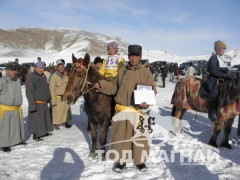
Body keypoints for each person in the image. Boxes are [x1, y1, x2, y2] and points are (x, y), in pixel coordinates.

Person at [95, 45, 156, 172]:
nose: (133, 58)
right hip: (122, 109)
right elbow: (113, 86)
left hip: (139, 110)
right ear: (128, 56)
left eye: (136, 56)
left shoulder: (146, 72)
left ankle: (140, 161)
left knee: (140, 137)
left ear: (140, 57)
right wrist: (101, 84)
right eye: (131, 55)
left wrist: (147, 101)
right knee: (121, 137)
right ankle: (120, 161)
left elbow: (152, 89)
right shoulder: (122, 71)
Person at [0, 62, 25, 152]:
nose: (14, 72)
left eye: (15, 70)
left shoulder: (17, 80)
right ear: (6, 71)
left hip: (16, 108)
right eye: (11, 70)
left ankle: (16, 141)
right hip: (5, 108)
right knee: (5, 128)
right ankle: (4, 144)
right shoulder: (2, 81)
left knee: (15, 126)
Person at [26, 61, 53, 141]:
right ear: (36, 68)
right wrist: (32, 104)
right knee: (36, 119)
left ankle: (44, 132)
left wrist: (48, 98)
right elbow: (29, 92)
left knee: (44, 118)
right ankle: (36, 135)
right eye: (40, 68)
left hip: (44, 102)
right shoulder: (31, 77)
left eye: (42, 68)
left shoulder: (43, 76)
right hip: (36, 103)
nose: (41, 70)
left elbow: (45, 88)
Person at [206, 40, 233, 122]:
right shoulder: (213, 58)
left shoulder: (223, 57)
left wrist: (231, 74)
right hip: (214, 79)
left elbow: (227, 67)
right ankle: (211, 111)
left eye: (224, 49)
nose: (224, 51)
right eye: (222, 49)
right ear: (217, 50)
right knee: (215, 92)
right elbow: (213, 71)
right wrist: (225, 75)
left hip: (223, 78)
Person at [50, 59, 72, 130]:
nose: (61, 68)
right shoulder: (54, 77)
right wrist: (53, 100)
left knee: (66, 110)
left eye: (62, 66)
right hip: (58, 96)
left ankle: (65, 122)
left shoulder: (66, 75)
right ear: (57, 67)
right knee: (56, 110)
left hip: (66, 96)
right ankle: (55, 123)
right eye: (59, 66)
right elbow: (52, 89)